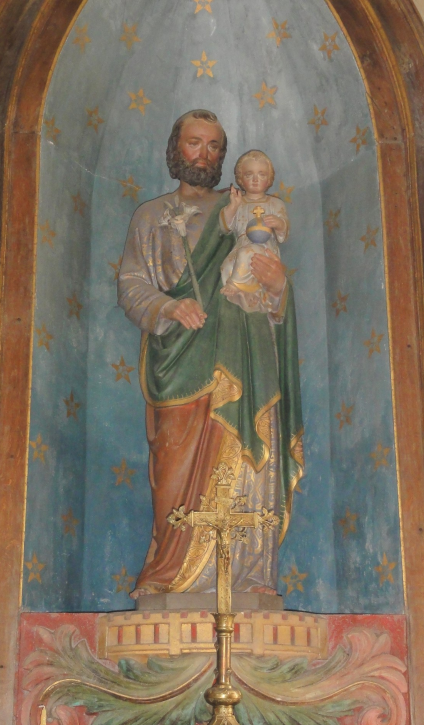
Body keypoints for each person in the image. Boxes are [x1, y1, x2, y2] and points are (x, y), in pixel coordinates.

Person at [117, 109, 304, 598]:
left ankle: (248, 577)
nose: (204, 154)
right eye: (194, 142)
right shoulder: (152, 216)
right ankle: (171, 575)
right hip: (180, 363)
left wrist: (279, 288)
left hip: (246, 357)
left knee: (245, 458)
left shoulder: (244, 208)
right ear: (175, 148)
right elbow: (131, 284)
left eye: (214, 145)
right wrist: (169, 306)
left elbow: (271, 282)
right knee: (175, 475)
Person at [220, 150, 289, 314]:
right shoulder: (239, 202)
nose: (255, 179)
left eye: (262, 174)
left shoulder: (275, 204)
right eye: (249, 174)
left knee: (246, 254)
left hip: (264, 247)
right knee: (226, 267)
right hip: (242, 244)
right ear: (240, 178)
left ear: (269, 178)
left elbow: (283, 234)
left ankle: (235, 285)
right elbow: (225, 227)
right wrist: (233, 206)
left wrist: (279, 223)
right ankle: (245, 295)